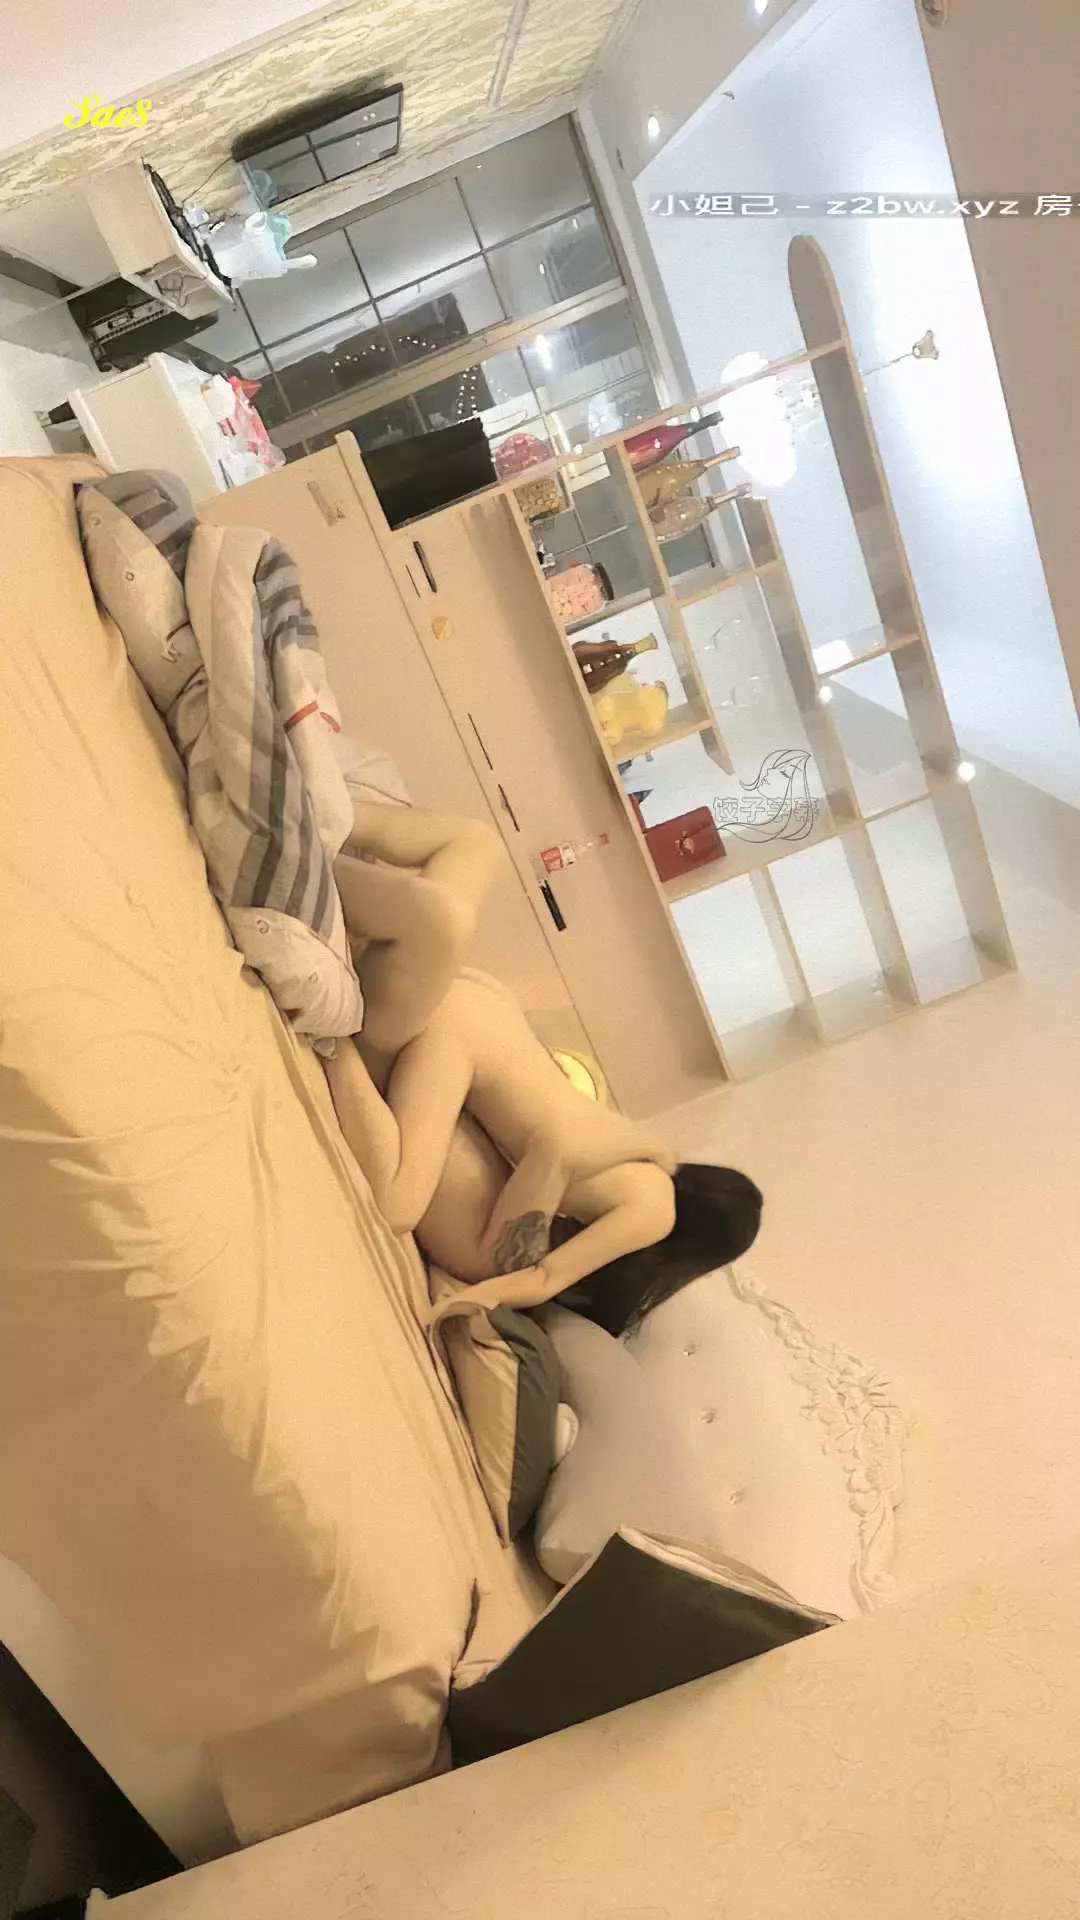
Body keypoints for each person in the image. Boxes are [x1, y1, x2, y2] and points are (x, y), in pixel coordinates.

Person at [325, 963, 763, 1335]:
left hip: (485, 1007)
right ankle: (330, 1036)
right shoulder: (656, 1214)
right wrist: (456, 1305)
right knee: (399, 1206)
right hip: (462, 1039)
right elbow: (547, 1275)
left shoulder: (651, 1158)